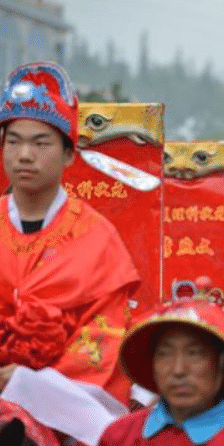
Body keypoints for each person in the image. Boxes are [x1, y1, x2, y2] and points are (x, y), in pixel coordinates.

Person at [0, 62, 141, 443]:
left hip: (63, 413)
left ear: (67, 156)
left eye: (40, 143)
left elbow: (101, 347)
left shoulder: (97, 242)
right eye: (13, 141)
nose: (24, 155)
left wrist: (26, 384)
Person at [98, 299, 224, 446]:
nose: (178, 370)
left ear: (221, 363)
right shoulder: (120, 437)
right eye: (165, 353)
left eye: (194, 353)